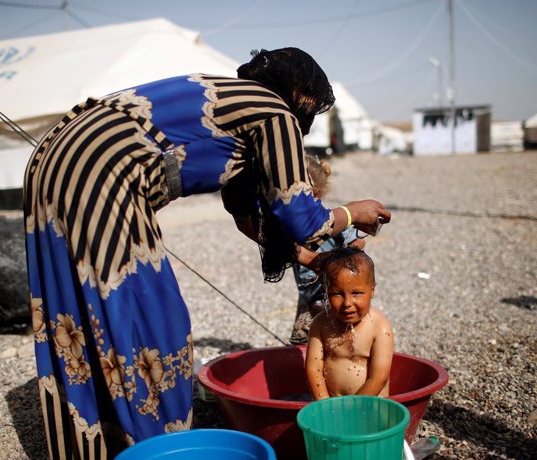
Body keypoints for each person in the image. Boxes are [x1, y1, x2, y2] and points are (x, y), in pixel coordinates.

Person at [24, 47, 391, 457]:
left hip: (56, 156)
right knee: (151, 316)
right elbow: (302, 215)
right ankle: (160, 446)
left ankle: (94, 442)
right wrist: (353, 212)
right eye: (309, 104)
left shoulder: (234, 103)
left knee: (78, 309)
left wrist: (308, 259)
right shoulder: (275, 112)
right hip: (101, 171)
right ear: (299, 92)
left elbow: (246, 213)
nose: (307, 117)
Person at [289, 155, 363, 345]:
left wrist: (345, 258)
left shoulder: (331, 219)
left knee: (336, 336)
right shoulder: (291, 224)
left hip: (331, 292)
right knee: (304, 338)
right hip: (307, 292)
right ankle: (302, 363)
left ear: (315, 194)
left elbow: (357, 241)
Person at [305, 247, 393, 400]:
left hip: (370, 404)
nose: (347, 303)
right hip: (331, 402)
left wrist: (351, 408)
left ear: (372, 290)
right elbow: (314, 369)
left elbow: (379, 377)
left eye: (356, 293)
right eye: (337, 293)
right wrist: (325, 404)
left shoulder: (379, 327)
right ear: (326, 291)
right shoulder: (320, 324)